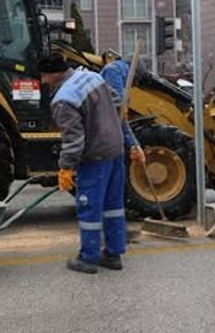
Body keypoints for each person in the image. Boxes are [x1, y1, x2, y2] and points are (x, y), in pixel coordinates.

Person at [39, 53, 145, 274]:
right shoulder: (93, 77)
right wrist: (132, 143)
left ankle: (88, 258)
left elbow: (74, 139)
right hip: (115, 151)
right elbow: (119, 110)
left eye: (44, 76)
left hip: (95, 157)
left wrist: (66, 167)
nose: (42, 81)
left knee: (89, 207)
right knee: (113, 205)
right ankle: (114, 254)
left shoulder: (64, 100)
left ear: (53, 74)